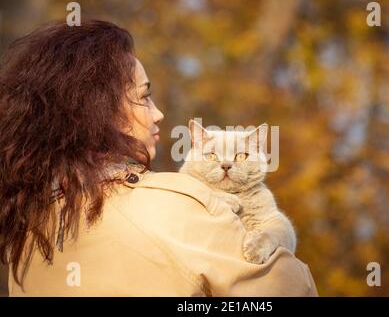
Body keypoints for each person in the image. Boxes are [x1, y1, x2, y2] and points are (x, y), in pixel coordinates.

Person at [0, 20, 318, 296]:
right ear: (97, 112)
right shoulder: (175, 207)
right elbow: (293, 290)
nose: (159, 114)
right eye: (144, 97)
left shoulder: (28, 229)